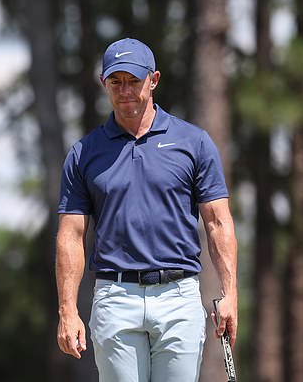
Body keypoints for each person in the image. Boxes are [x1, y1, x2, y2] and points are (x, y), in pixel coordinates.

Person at [55, 38, 238, 382]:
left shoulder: (193, 142)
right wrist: (67, 310)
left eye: (133, 81)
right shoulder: (84, 152)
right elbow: (71, 235)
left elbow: (218, 222)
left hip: (178, 296)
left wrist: (230, 295)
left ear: (153, 80)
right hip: (114, 296)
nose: (125, 91)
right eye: (116, 82)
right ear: (104, 83)